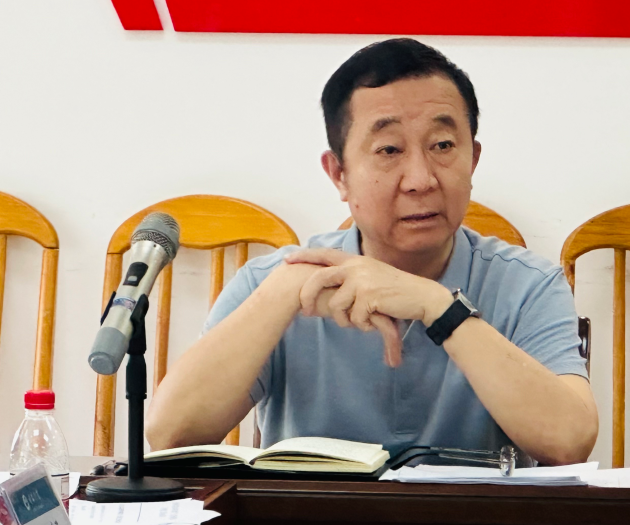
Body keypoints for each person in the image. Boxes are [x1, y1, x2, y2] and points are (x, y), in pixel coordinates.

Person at [147, 39, 599, 465]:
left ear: (473, 159)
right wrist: (284, 291)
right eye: (389, 150)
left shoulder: (528, 285)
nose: (420, 179)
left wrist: (440, 307)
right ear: (339, 174)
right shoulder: (273, 281)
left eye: (442, 146)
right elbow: (171, 435)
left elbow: (570, 442)